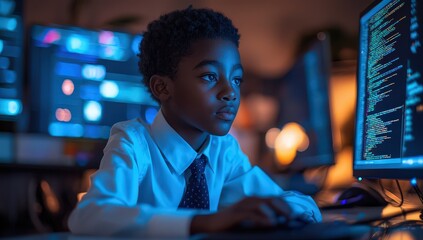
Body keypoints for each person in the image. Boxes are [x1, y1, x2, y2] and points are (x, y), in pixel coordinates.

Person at [68, 7, 322, 238]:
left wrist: (279, 210)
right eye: (210, 76)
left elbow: (302, 206)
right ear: (162, 87)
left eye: (236, 79)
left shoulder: (223, 151)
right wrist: (202, 222)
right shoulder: (133, 142)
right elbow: (88, 216)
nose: (230, 92)